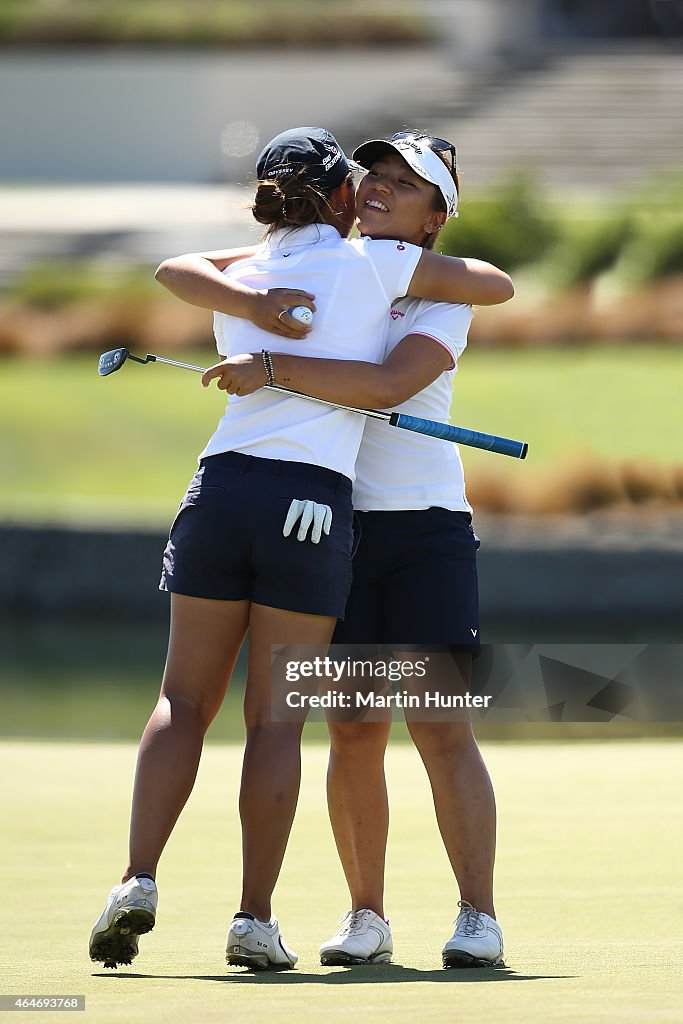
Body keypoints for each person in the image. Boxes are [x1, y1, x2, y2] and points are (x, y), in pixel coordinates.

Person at [88, 127, 513, 972]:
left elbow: (393, 384)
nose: (383, 186)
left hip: (422, 527)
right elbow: (190, 269)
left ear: (436, 217)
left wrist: (272, 363)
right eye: (375, 174)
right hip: (332, 521)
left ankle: (477, 916)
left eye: (406, 183)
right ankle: (366, 917)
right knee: (353, 727)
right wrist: (253, 307)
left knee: (438, 722)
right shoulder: (326, 255)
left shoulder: (433, 291)